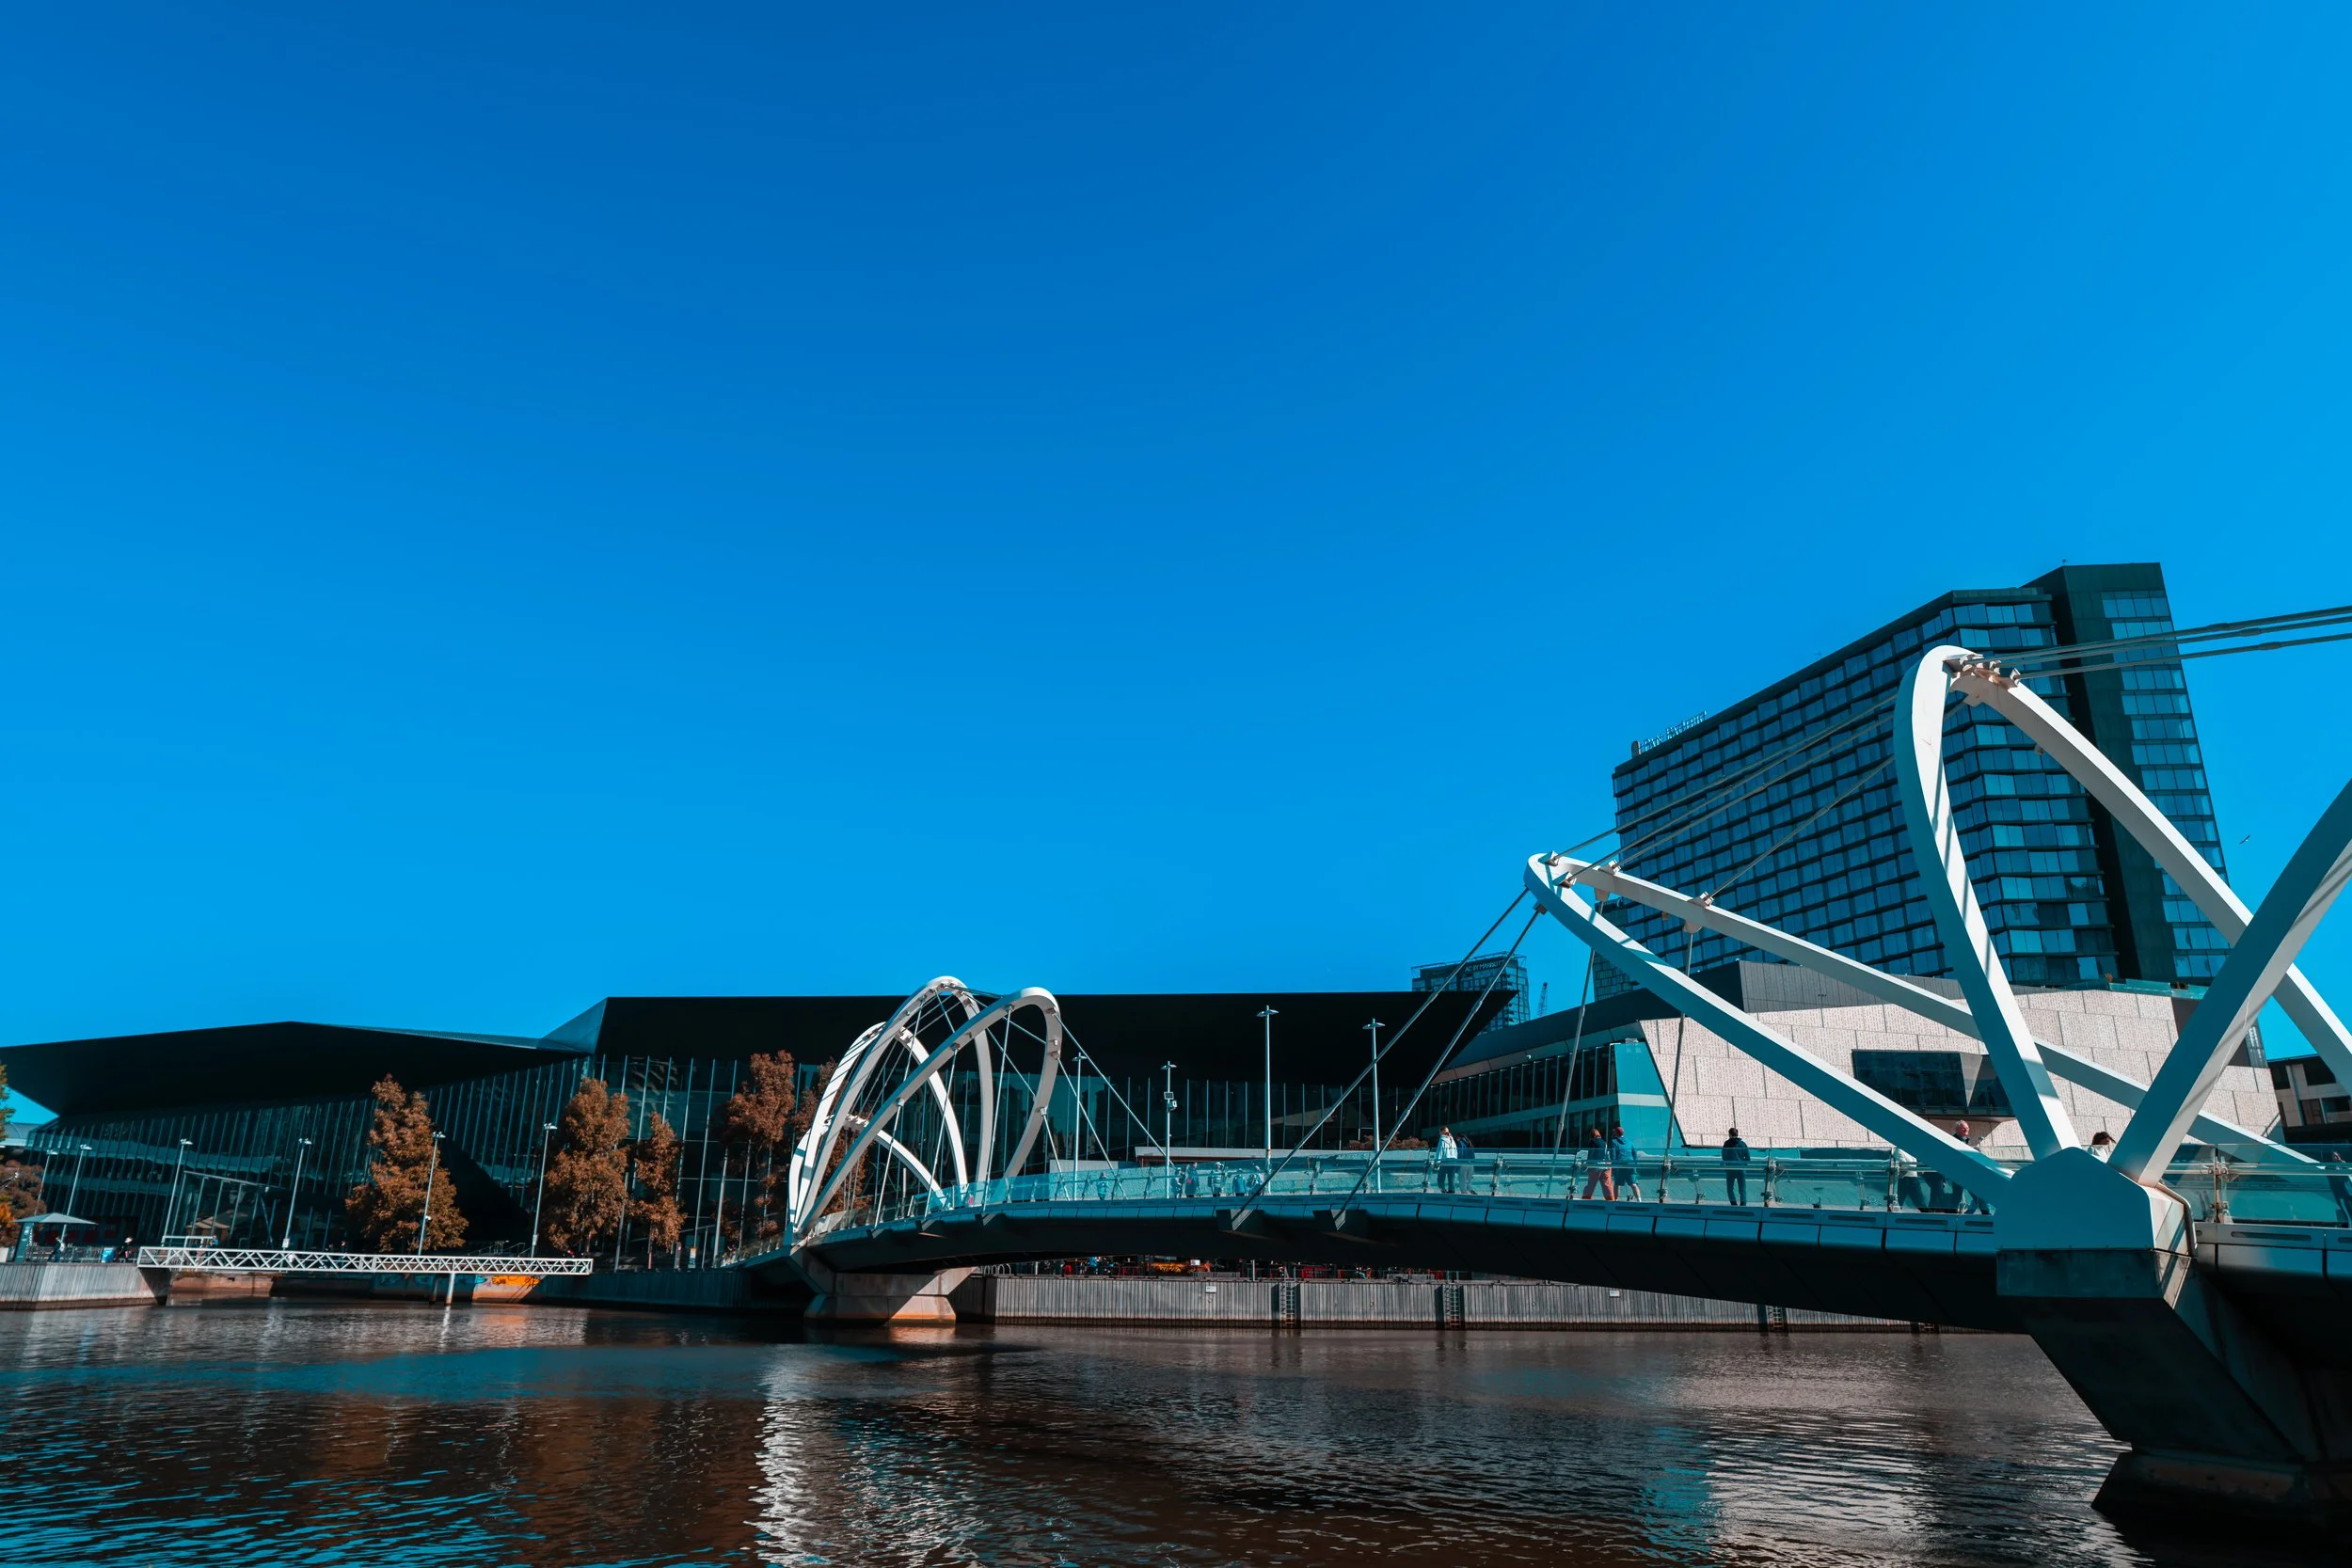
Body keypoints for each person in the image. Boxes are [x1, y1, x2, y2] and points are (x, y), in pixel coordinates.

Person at [1580, 1127, 1615, 1201]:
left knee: (1591, 1184)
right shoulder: (1604, 1142)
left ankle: (1586, 1199)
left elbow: (1591, 1153)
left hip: (1595, 1165)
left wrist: (1587, 1164)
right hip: (1605, 1165)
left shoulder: (1592, 1141)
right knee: (1607, 1184)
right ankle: (1610, 1200)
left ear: (1592, 1136)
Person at [1609, 1123, 1642, 1201]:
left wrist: (1613, 1165)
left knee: (1617, 1184)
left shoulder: (1614, 1142)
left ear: (1616, 1133)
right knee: (1633, 1184)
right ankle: (1639, 1200)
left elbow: (1613, 1154)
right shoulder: (1629, 1142)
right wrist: (1635, 1163)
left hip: (1620, 1166)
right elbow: (1634, 1153)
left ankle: (1615, 1201)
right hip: (1630, 1165)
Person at [1721, 1126, 1752, 1206]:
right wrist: (1743, 1164)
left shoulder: (1727, 1143)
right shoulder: (1743, 1144)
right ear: (1737, 1134)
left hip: (1730, 1169)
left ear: (1730, 1134)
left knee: (1730, 1189)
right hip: (1741, 1169)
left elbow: (1724, 1157)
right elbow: (1748, 1158)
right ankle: (1743, 1205)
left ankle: (1734, 1204)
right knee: (1742, 1189)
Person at [1436, 1126, 1460, 1192]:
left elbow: (1440, 1151)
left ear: (1442, 1132)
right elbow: (1456, 1151)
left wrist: (1437, 1162)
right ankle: (1451, 1190)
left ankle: (1443, 1189)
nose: (1439, 1133)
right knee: (1451, 1177)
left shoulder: (1442, 1139)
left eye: (1440, 1132)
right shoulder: (1452, 1140)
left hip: (1445, 1160)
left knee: (1441, 1177)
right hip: (1454, 1160)